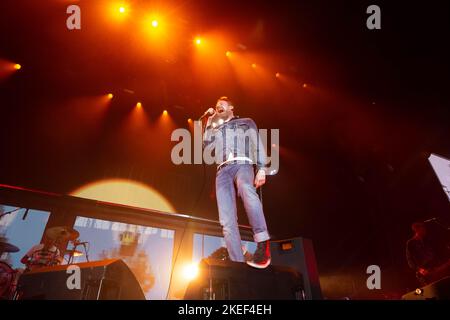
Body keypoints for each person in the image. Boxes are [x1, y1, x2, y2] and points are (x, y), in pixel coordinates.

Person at [203, 96, 271, 268]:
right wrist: (210, 121)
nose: (218, 106)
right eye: (216, 105)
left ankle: (263, 243)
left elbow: (257, 143)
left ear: (231, 107)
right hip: (222, 171)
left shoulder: (246, 122)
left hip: (243, 164)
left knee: (246, 187)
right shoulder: (216, 128)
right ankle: (237, 265)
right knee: (226, 220)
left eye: (221, 105)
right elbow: (205, 145)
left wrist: (262, 168)